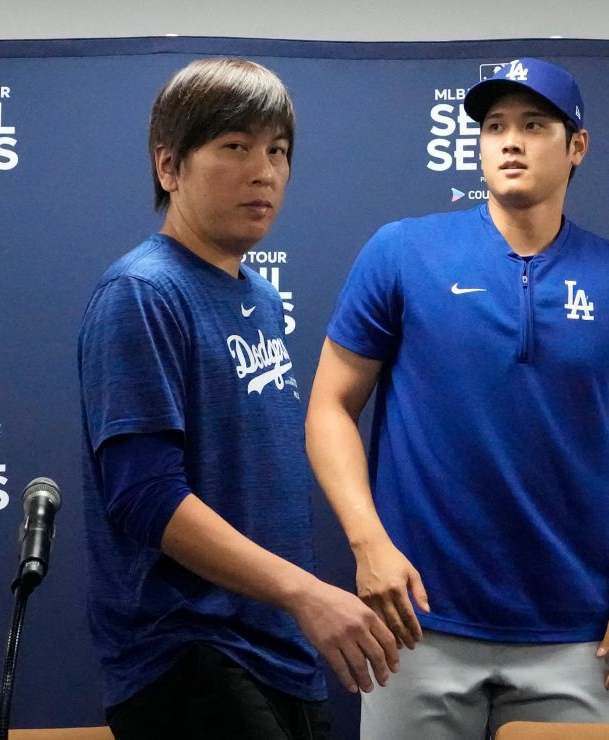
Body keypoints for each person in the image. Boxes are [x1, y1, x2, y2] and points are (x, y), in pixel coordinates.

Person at [306, 57, 609, 738]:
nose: (510, 141)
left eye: (533, 124)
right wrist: (367, 541)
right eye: (494, 127)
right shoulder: (403, 252)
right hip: (416, 628)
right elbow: (328, 407)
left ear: (576, 145)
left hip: (573, 638)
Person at [78, 57, 397, 740]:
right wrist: (304, 591)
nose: (265, 172)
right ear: (169, 166)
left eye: (278, 151)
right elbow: (143, 496)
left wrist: (293, 606)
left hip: (279, 650)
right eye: (235, 147)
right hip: (189, 653)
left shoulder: (260, 296)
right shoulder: (143, 292)